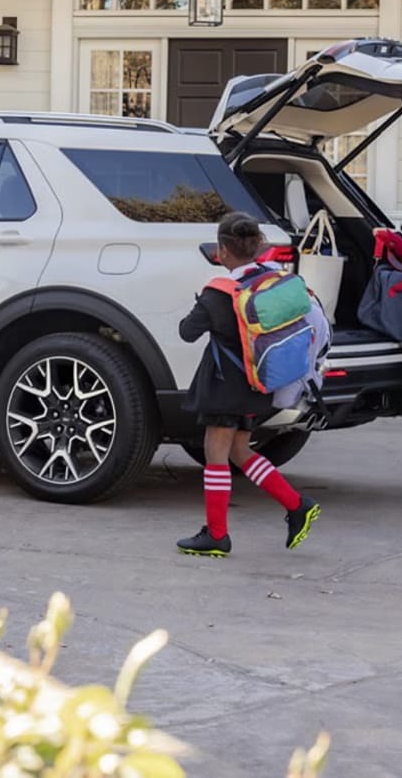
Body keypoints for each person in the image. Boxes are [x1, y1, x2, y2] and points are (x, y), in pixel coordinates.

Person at [175, 212, 321, 557]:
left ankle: (216, 534)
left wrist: (201, 305)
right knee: (240, 451)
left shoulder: (218, 293)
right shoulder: (270, 281)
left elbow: (186, 331)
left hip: (225, 386)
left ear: (223, 251)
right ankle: (297, 505)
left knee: (216, 454)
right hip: (260, 381)